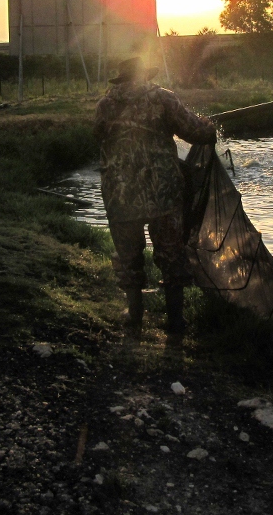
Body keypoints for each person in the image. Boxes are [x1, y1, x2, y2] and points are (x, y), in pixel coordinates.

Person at [94, 56, 216, 343]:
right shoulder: (163, 99)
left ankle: (134, 318)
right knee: (171, 255)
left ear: (122, 79)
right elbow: (199, 133)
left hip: (120, 195)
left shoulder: (104, 105)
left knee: (129, 256)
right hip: (164, 195)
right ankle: (175, 322)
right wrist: (209, 126)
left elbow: (98, 137)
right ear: (145, 76)